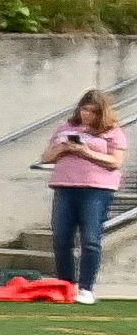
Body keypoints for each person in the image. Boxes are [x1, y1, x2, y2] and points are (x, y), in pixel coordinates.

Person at [43, 90, 120, 301]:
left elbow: (115, 161)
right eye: (84, 109)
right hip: (65, 186)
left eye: (93, 111)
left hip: (96, 189)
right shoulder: (66, 128)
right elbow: (46, 156)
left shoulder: (112, 131)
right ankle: (65, 284)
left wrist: (87, 152)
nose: (87, 114)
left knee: (90, 238)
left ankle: (86, 288)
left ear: (101, 113)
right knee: (61, 237)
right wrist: (64, 148)